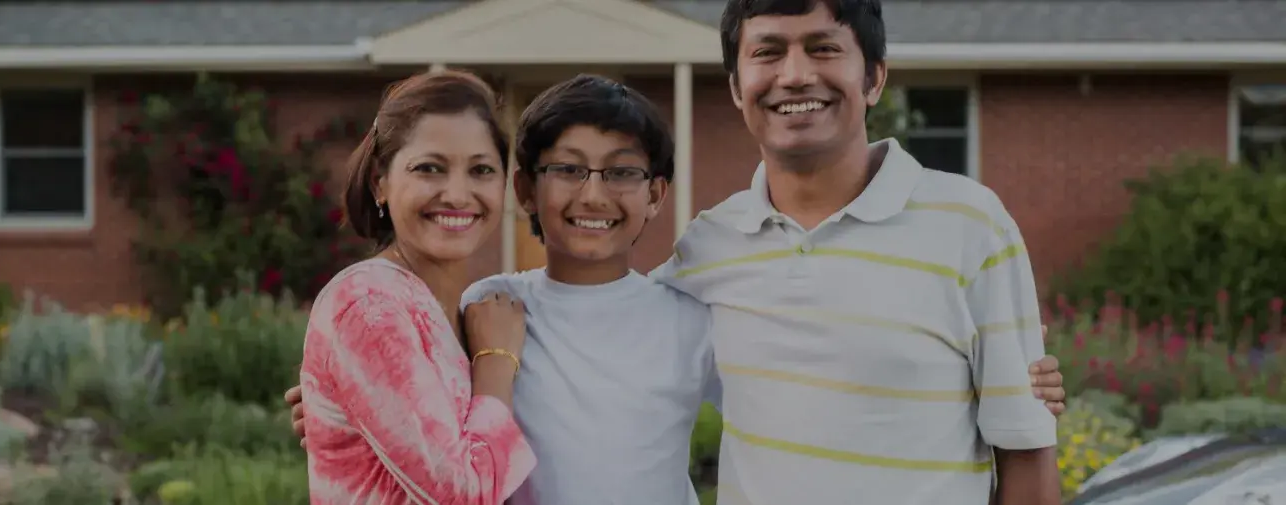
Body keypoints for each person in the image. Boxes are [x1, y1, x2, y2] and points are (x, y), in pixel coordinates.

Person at [287, 73, 1068, 504]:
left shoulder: (690, 315)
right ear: (526, 187)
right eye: (567, 168)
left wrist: (990, 383)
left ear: (656, 194)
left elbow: (820, 381)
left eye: (623, 171)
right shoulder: (486, 309)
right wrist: (328, 405)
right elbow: (408, 406)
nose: (593, 194)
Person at [646, 0, 1063, 503]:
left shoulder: (971, 225)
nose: (795, 75)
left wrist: (1024, 367)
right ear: (737, 87)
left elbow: (1025, 450)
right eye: (767, 52)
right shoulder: (709, 245)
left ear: (874, 79)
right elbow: (607, 330)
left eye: (824, 48)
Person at [297, 69, 536, 505]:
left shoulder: (462, 311)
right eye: (430, 168)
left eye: (481, 170)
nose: (458, 194)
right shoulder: (369, 303)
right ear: (379, 183)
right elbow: (463, 495)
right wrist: (496, 362)